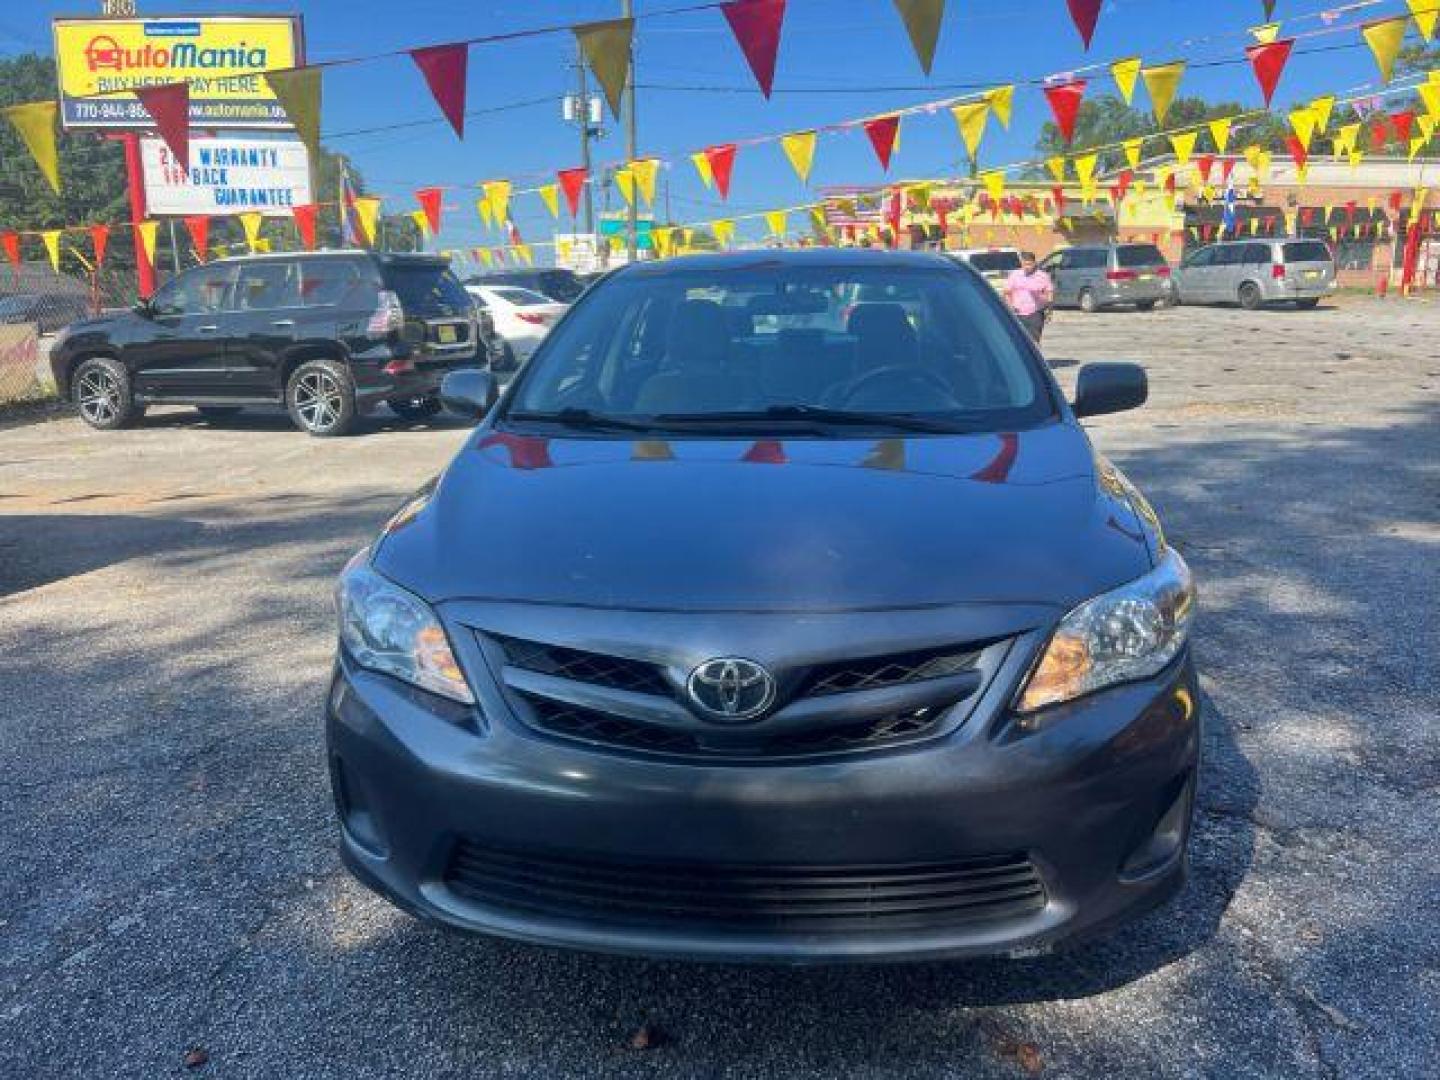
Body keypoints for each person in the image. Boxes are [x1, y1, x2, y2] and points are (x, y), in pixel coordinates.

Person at [1003, 251, 1054, 343]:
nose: (1027, 267)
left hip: (1035, 313)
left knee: (1034, 341)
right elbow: (1007, 292)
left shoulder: (1043, 276)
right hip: (1017, 313)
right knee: (1018, 340)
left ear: (1034, 263)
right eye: (1024, 264)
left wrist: (1049, 310)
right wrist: (1010, 306)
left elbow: (1049, 293)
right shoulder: (1015, 275)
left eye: (1029, 264)